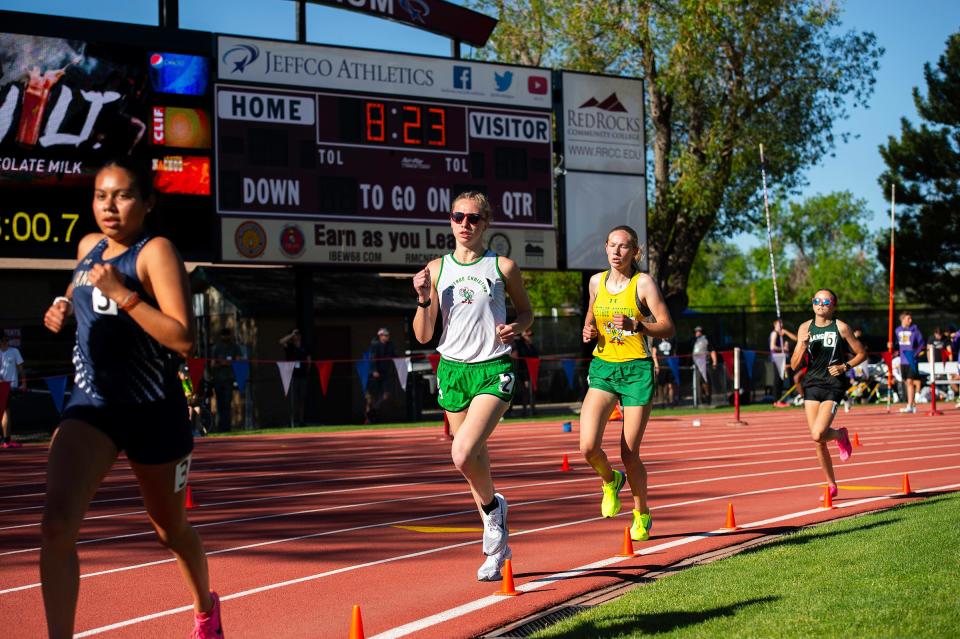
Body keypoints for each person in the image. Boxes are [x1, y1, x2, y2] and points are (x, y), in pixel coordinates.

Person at [40, 157, 222, 638]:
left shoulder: (154, 252)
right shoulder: (87, 247)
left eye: (121, 196)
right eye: (101, 196)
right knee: (57, 524)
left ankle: (205, 608)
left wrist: (124, 294)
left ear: (146, 203)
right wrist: (61, 305)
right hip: (91, 405)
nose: (110, 206)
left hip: (152, 410)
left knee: (169, 529)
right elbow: (78, 283)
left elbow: (183, 339)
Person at [412, 191, 532, 581]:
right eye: (458, 217)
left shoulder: (503, 266)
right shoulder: (436, 268)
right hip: (452, 369)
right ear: (450, 221)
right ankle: (496, 544)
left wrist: (518, 326)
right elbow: (424, 334)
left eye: (473, 219)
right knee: (473, 460)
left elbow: (526, 311)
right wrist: (423, 298)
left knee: (462, 453)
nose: (465, 224)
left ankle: (494, 515)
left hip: (493, 366)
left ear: (486, 223)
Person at [580, 226, 675, 543]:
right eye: (612, 245)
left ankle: (642, 513)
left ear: (636, 252)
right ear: (605, 247)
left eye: (624, 247)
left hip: (636, 371)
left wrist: (639, 325)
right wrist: (588, 329)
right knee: (588, 446)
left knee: (629, 452)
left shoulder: (643, 283)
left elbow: (667, 327)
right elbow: (592, 313)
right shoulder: (596, 282)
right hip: (604, 366)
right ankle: (610, 480)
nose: (617, 251)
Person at [790, 288, 865, 501]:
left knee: (817, 433)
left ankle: (841, 435)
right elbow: (794, 364)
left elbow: (861, 353)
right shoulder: (805, 328)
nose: (820, 304)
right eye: (816, 300)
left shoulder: (841, 327)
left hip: (833, 385)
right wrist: (802, 344)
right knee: (818, 441)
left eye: (826, 301)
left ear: (834, 305)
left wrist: (845, 366)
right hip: (812, 385)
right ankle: (831, 484)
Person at [890, 311, 925, 413]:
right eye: (908, 318)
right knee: (906, 381)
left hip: (911, 360)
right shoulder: (897, 330)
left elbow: (921, 343)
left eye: (911, 318)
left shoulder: (915, 330)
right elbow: (897, 344)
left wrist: (915, 353)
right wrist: (891, 346)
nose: (910, 320)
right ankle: (912, 403)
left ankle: (909, 405)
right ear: (902, 319)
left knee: (910, 381)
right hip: (902, 360)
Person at [210, 327, 243, 432]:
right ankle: (220, 427)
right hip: (218, 380)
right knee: (219, 404)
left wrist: (224, 362)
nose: (226, 337)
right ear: (221, 336)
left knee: (227, 403)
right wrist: (222, 363)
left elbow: (238, 361)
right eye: (224, 335)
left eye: (227, 335)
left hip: (229, 379)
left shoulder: (234, 347)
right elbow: (212, 364)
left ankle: (227, 427)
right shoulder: (216, 348)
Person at [279, 328, 310, 427]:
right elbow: (281, 342)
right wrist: (291, 335)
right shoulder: (290, 347)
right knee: (292, 400)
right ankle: (291, 421)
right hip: (292, 377)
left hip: (302, 376)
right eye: (295, 334)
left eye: (298, 334)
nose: (297, 336)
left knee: (302, 399)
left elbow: (309, 361)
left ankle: (301, 421)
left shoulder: (305, 347)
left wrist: (306, 371)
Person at [364, 327, 396, 423]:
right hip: (374, 375)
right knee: (370, 398)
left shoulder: (390, 345)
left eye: (388, 335)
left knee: (385, 395)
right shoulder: (375, 345)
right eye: (385, 335)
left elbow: (394, 355)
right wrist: (374, 370)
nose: (387, 337)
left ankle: (373, 411)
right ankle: (368, 417)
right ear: (380, 336)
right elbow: (372, 359)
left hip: (384, 374)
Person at [0, 334, 26, 449]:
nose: (5, 342)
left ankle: (5, 439)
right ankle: (6, 441)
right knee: (6, 413)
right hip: (3, 387)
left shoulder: (14, 351)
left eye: (6, 340)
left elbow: (21, 368)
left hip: (11, 387)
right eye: (3, 340)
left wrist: (24, 382)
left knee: (6, 412)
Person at [510, 327, 539, 416]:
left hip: (531, 371)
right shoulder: (519, 345)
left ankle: (531, 410)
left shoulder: (532, 347)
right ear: (523, 335)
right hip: (521, 372)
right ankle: (524, 410)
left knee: (531, 391)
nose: (530, 337)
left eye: (531, 336)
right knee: (524, 391)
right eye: (528, 335)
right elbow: (515, 355)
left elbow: (535, 358)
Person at [770, 319, 798, 406]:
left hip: (782, 358)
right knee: (778, 379)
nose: (781, 325)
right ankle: (776, 401)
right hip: (777, 358)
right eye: (779, 324)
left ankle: (781, 400)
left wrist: (785, 333)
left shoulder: (782, 335)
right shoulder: (774, 333)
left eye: (781, 324)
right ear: (775, 325)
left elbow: (796, 338)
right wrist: (783, 349)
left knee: (781, 379)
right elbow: (772, 347)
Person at [691, 326, 717, 404]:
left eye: (699, 331)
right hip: (696, 365)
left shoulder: (706, 340)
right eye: (696, 331)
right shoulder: (693, 341)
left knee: (706, 381)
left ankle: (708, 397)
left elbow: (712, 351)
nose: (697, 333)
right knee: (698, 382)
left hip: (706, 363)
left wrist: (714, 361)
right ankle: (700, 399)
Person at [653, 337, 677, 406]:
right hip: (661, 365)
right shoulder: (656, 339)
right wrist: (656, 365)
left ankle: (671, 402)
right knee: (661, 385)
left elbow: (674, 353)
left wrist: (674, 365)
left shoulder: (672, 339)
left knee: (670, 385)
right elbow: (654, 353)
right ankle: (662, 402)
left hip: (670, 365)